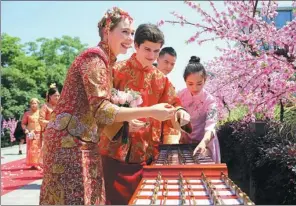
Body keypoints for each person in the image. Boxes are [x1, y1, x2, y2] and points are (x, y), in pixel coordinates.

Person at [39, 8, 176, 205]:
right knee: (74, 198)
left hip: (85, 141)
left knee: (91, 197)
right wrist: (152, 111)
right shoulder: (93, 58)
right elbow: (102, 109)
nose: (130, 38)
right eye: (125, 32)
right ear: (107, 31)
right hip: (68, 143)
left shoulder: (106, 61)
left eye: (131, 33)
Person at [99, 23, 191, 205]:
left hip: (148, 154)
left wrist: (181, 113)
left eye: (156, 51)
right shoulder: (115, 70)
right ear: (136, 45)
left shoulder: (160, 78)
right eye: (147, 49)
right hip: (114, 153)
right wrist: (122, 122)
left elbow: (174, 104)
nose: (151, 55)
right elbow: (100, 108)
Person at [178, 56, 221, 163]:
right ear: (185, 81)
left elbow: (211, 126)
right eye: (190, 84)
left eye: (199, 83)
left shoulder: (210, 100)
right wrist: (181, 133)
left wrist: (203, 143)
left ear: (205, 80)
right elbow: (176, 117)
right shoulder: (180, 96)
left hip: (206, 140)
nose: (195, 88)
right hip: (186, 140)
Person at [155, 47, 180, 144]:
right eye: (166, 62)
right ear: (157, 59)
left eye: (172, 64)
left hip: (162, 129)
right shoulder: (146, 76)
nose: (169, 66)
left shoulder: (170, 85)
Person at [38, 84, 60, 168]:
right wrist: (52, 123)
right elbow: (40, 120)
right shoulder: (45, 107)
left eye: (58, 95)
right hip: (49, 132)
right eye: (55, 96)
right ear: (50, 96)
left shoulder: (60, 106)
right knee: (50, 151)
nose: (57, 97)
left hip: (59, 132)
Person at [21, 98, 42, 170]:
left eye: (35, 103)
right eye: (32, 103)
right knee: (31, 149)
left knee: (38, 149)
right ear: (30, 104)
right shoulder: (27, 113)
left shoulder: (41, 112)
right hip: (30, 133)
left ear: (38, 104)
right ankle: (33, 164)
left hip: (39, 133)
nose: (33, 105)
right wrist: (26, 129)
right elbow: (23, 123)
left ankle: (38, 163)